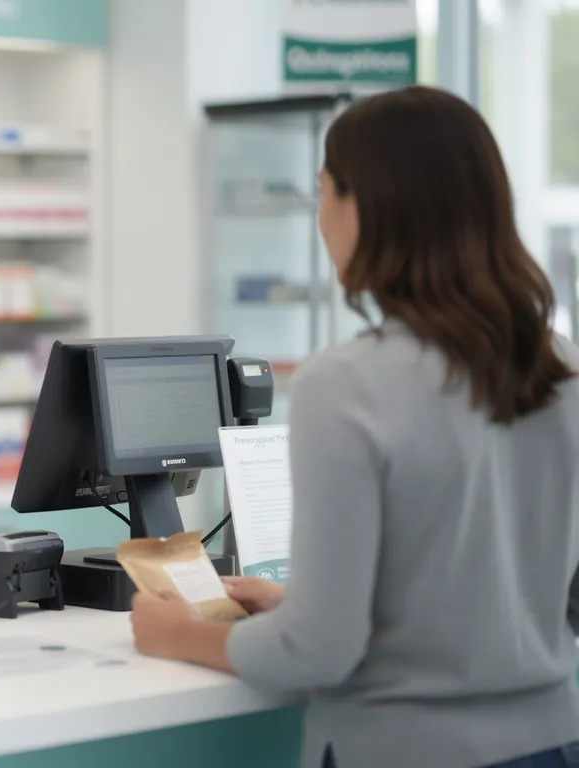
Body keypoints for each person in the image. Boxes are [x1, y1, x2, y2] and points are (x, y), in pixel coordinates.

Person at [130, 86, 579, 768]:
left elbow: (316, 652)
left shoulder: (345, 386)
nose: (319, 216)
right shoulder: (561, 369)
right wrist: (302, 601)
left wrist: (177, 635)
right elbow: (532, 595)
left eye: (323, 192)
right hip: (549, 741)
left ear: (363, 206)